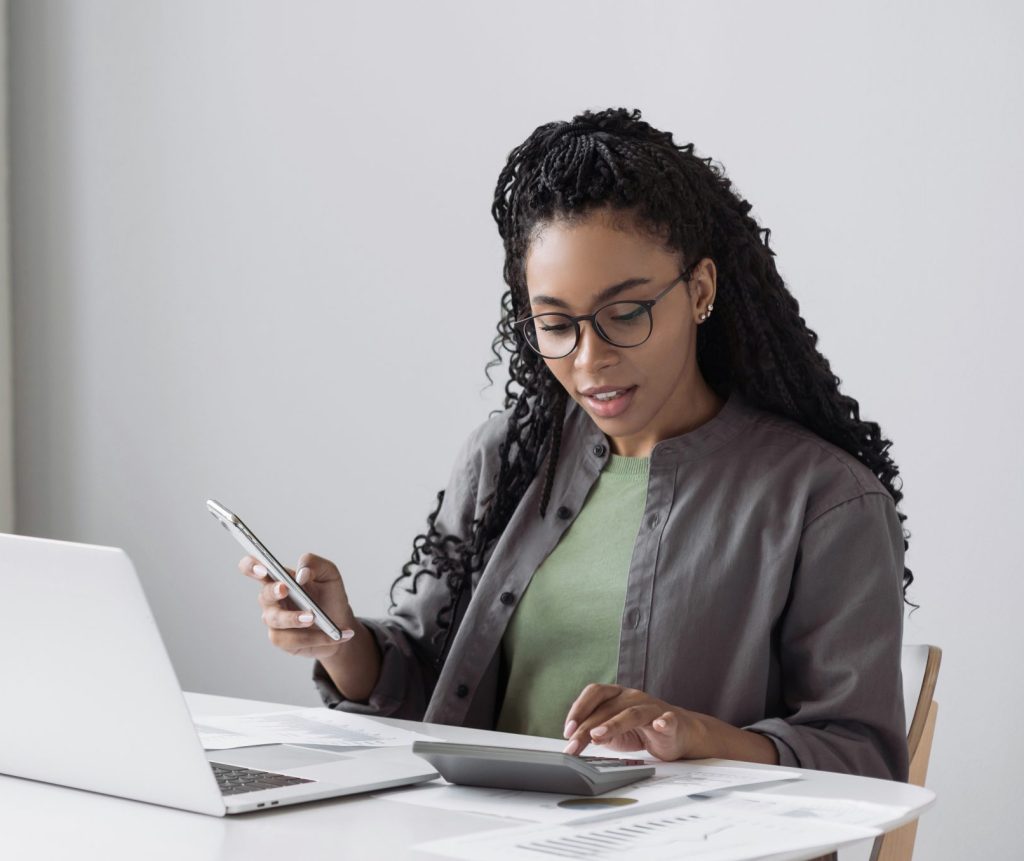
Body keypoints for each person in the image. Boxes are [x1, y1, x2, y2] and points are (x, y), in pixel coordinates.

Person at [239, 107, 912, 781]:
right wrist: (340, 637)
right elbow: (433, 688)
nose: (590, 360)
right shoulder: (508, 458)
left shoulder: (825, 502)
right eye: (556, 324)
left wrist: (696, 734)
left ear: (700, 290)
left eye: (625, 313)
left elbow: (863, 756)